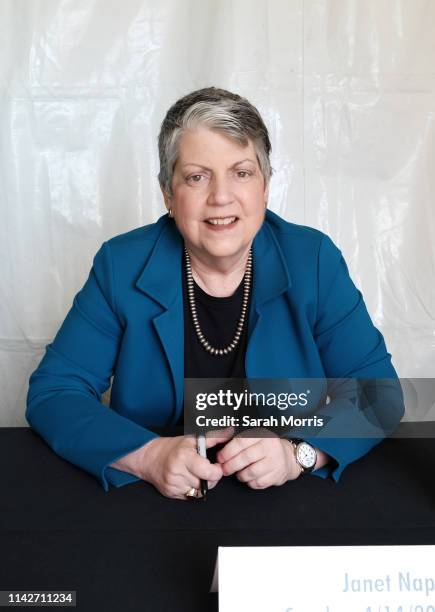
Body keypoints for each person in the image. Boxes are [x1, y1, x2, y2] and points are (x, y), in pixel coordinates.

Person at [26, 87, 404, 500]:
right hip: (157, 498)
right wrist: (148, 455)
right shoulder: (121, 265)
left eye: (241, 172)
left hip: (286, 498)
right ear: (169, 194)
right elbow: (55, 391)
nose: (221, 196)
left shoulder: (312, 259)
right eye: (196, 176)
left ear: (265, 185)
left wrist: (298, 453)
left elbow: (377, 392)